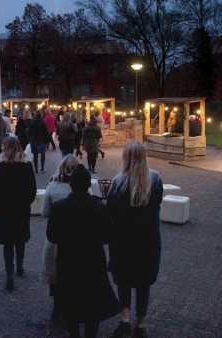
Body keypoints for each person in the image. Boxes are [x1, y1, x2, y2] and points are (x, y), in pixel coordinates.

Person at [47, 164, 120, 338]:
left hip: (68, 262)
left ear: (71, 184)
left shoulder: (60, 208)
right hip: (93, 262)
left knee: (71, 302)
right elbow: (108, 236)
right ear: (88, 185)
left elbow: (52, 236)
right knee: (92, 304)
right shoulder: (99, 208)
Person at [107, 141, 163, 338]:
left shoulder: (118, 183)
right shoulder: (155, 180)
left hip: (123, 241)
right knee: (143, 282)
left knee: (123, 281)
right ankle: (140, 323)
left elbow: (110, 212)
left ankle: (125, 319)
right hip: (148, 240)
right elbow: (159, 203)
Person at [0, 137, 36, 291]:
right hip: (21, 207)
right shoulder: (26, 165)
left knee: (8, 242)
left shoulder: (1, 166)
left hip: (5, 207)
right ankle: (20, 265)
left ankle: (9, 273)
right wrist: (27, 201)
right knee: (20, 238)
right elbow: (32, 187)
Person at [40, 154, 80, 322]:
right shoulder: (83, 189)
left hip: (55, 238)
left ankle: (57, 306)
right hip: (77, 238)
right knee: (73, 271)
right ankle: (72, 304)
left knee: (55, 273)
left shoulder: (52, 186)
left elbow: (45, 213)